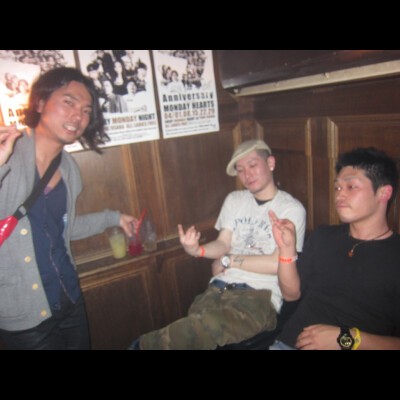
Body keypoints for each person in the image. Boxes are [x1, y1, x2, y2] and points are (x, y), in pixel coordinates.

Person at [0, 67, 137, 350]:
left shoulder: (69, 169)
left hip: (69, 298)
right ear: (40, 103)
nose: (78, 116)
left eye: (86, 110)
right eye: (69, 102)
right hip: (23, 313)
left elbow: (65, 227)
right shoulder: (7, 154)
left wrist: (114, 218)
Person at [130, 139, 306, 349]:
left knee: (187, 334)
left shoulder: (291, 209)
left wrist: (228, 260)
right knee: (190, 333)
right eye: (240, 170)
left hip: (258, 297)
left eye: (252, 165)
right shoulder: (235, 199)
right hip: (218, 289)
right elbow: (223, 243)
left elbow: (276, 263)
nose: (247, 174)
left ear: (270, 163)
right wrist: (198, 250)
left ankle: (139, 346)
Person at [269, 147, 400, 350]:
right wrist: (286, 251)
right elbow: (291, 294)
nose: (340, 195)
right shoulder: (324, 236)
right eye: (337, 187)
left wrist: (345, 339)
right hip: (288, 344)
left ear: (384, 192)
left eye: (351, 186)